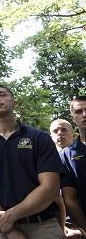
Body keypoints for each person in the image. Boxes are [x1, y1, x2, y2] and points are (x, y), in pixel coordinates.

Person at [0, 85, 65, 239]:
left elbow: (50, 188)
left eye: (1, 94)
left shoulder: (39, 138)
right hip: (0, 227)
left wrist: (11, 216)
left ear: (15, 103)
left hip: (42, 225)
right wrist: (7, 228)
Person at [61, 96, 86, 236]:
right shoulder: (65, 156)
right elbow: (70, 200)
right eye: (78, 111)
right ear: (72, 116)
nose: (84, 115)